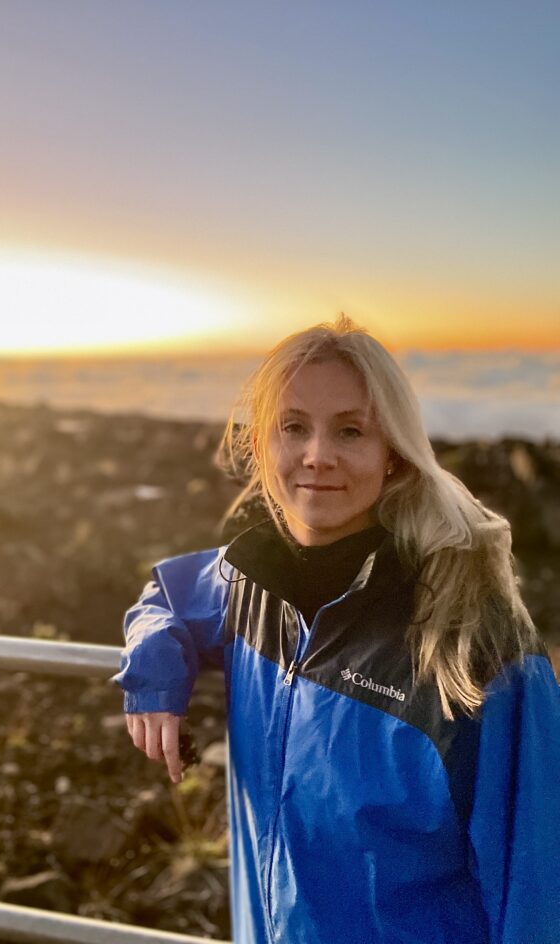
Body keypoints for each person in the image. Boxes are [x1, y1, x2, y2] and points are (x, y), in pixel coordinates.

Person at [112, 314, 560, 944]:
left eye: (350, 431)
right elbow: (165, 596)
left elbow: (536, 889)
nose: (317, 456)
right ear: (264, 443)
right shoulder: (249, 583)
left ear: (395, 456)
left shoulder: (472, 640)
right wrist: (155, 672)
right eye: (294, 427)